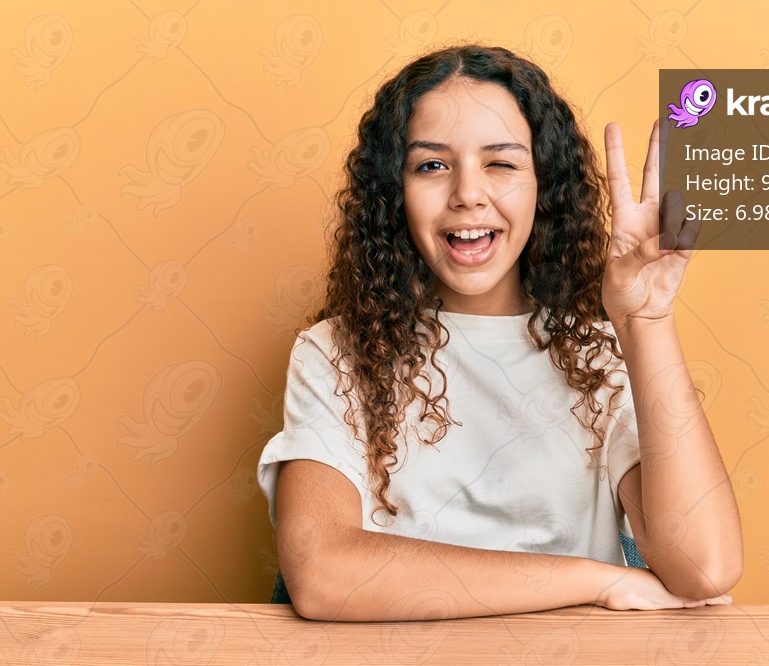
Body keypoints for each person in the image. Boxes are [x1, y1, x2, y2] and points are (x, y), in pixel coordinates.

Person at [257, 44, 743, 621]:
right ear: (394, 193)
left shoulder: (599, 357)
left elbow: (705, 567)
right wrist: (596, 580)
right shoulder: (336, 353)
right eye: (431, 165)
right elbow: (323, 573)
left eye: (502, 163)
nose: (468, 193)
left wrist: (645, 322)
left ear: (545, 188)